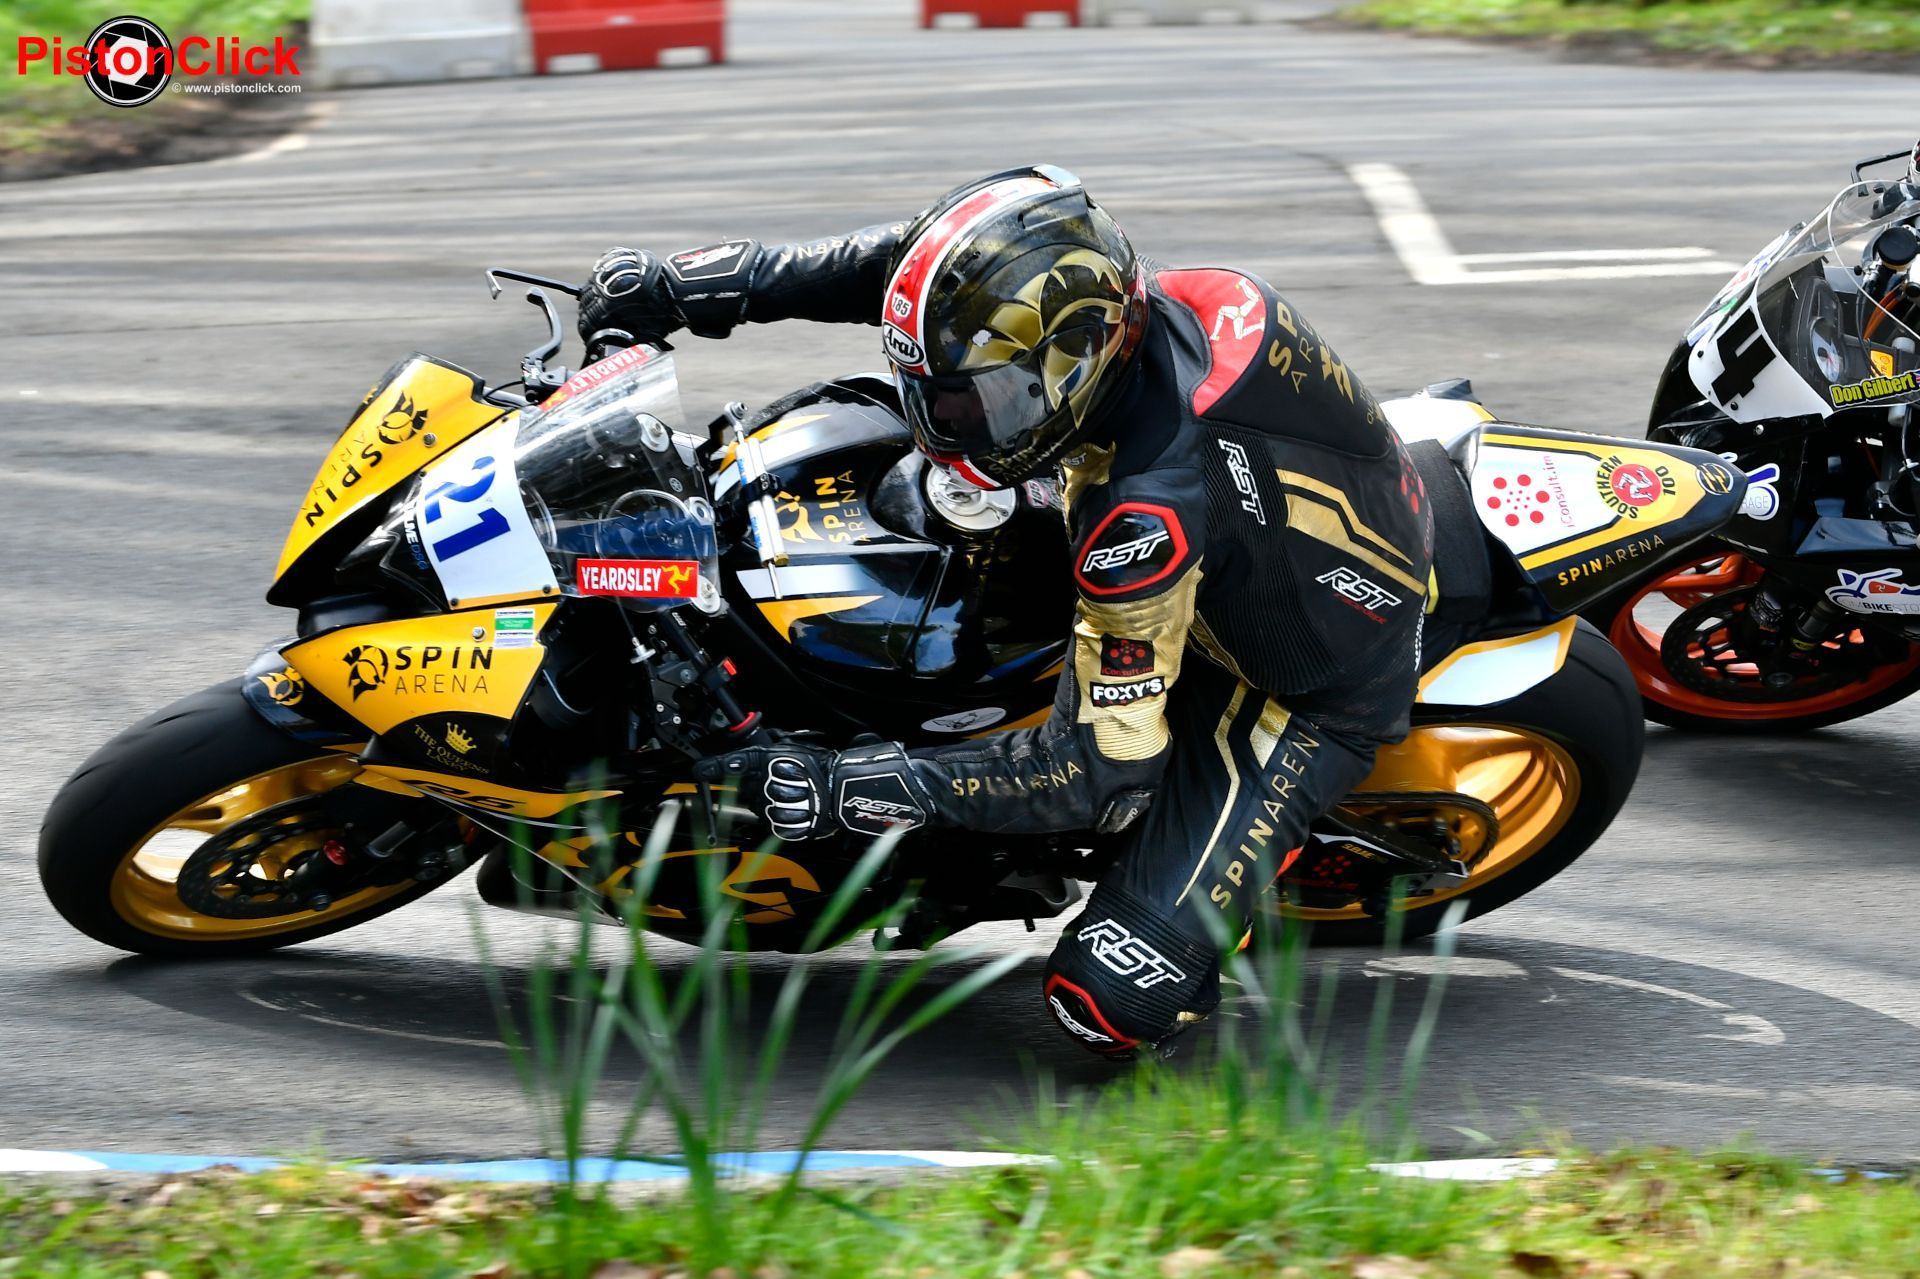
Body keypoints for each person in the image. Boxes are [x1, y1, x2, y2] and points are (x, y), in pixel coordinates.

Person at [578, 165, 1434, 1057]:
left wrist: (850, 787)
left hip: (1300, 680)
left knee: (1105, 999)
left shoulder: (1141, 517)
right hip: (1281, 522)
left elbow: (1094, 769)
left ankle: (1226, 896)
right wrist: (700, 283)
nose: (941, 418)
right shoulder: (1106, 305)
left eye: (971, 399)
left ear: (1071, 364)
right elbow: (906, 272)